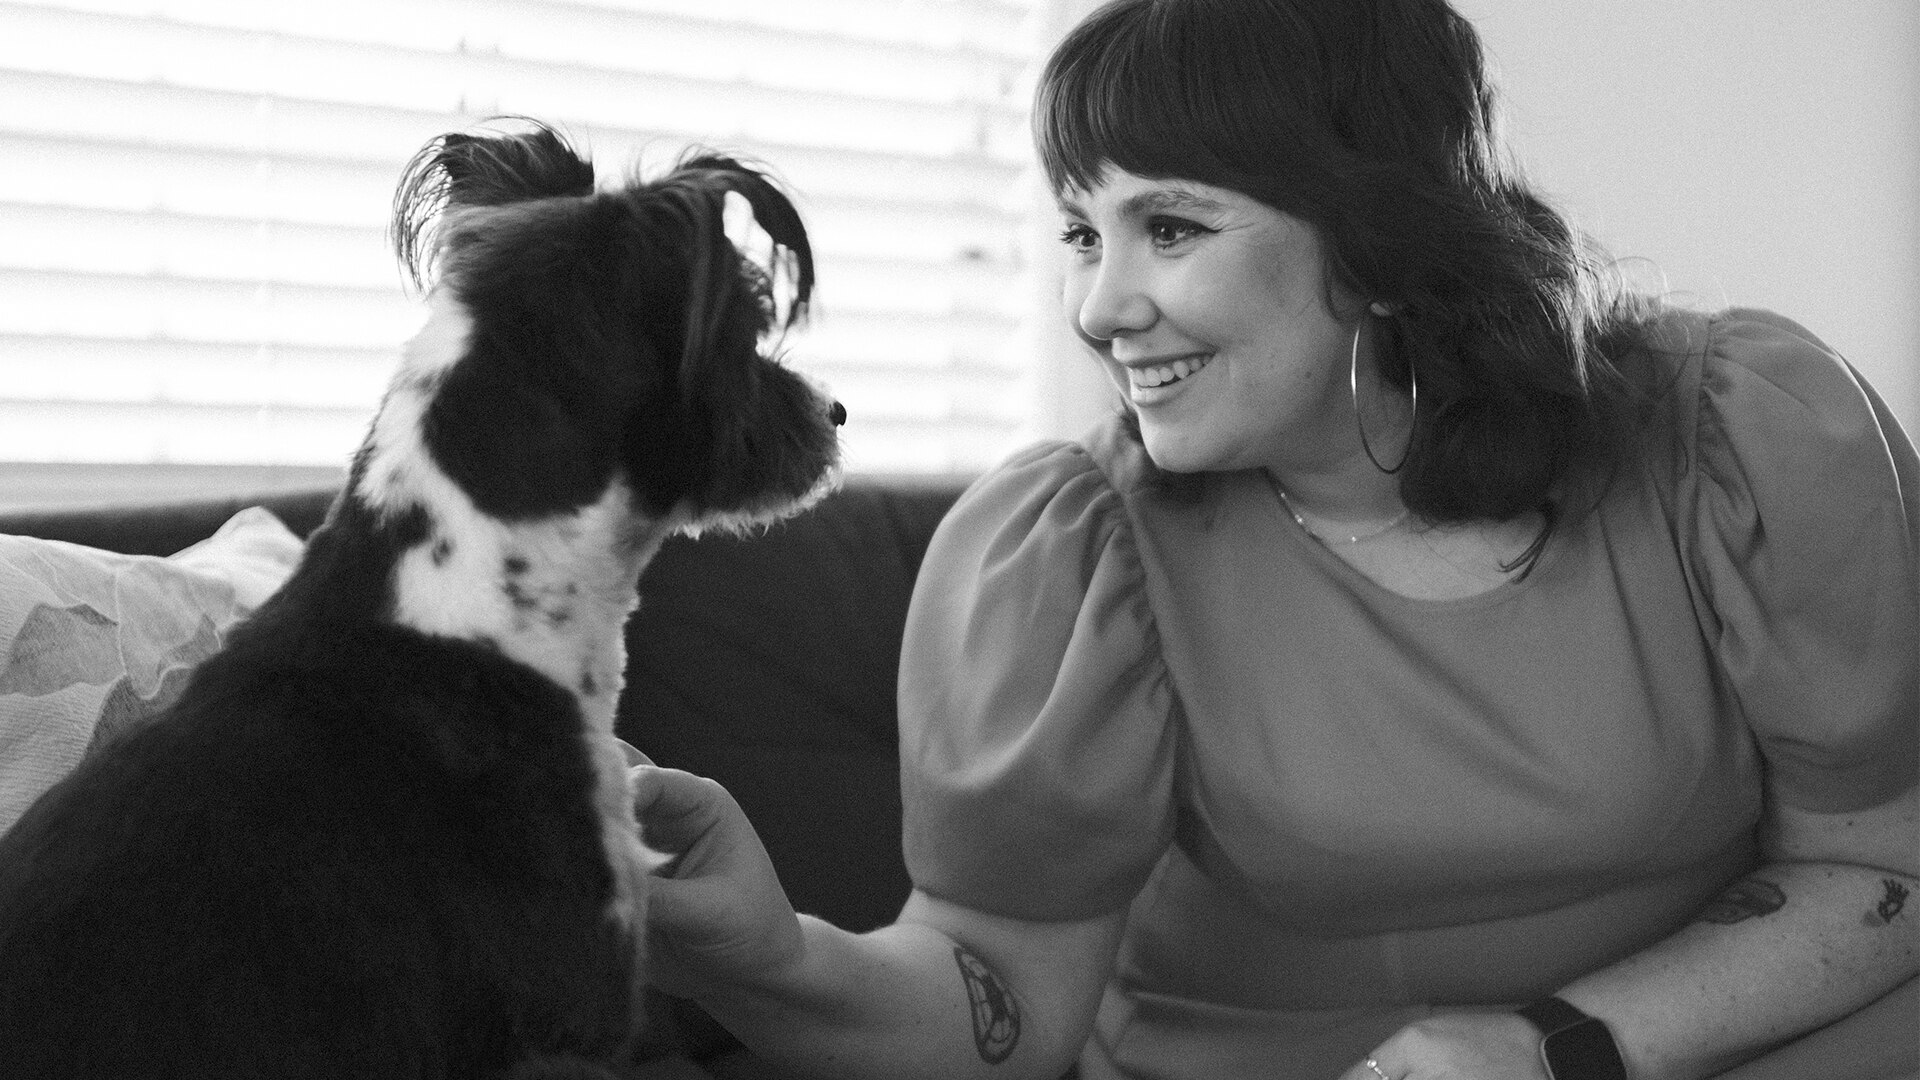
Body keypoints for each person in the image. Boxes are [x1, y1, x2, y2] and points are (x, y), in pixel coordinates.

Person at [633, 1, 1920, 1077]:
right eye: (1083, 232)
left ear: (1381, 243)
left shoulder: (1734, 439)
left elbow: (1881, 867)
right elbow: (998, 999)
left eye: (1171, 228)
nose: (1097, 307)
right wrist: (768, 958)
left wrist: (1557, 1046)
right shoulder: (1078, 549)